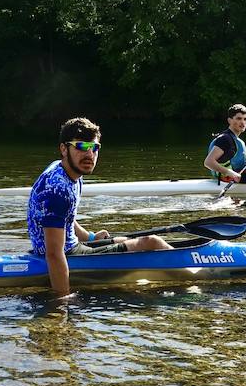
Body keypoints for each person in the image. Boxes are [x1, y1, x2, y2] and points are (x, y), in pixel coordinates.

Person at [28, 117, 172, 295]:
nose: (90, 155)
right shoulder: (58, 190)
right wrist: (63, 302)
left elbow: (66, 218)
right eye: (82, 147)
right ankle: (197, 267)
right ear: (63, 149)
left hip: (71, 246)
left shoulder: (64, 170)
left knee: (124, 239)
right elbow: (54, 254)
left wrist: (90, 237)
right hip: (66, 254)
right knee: (152, 242)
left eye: (94, 148)